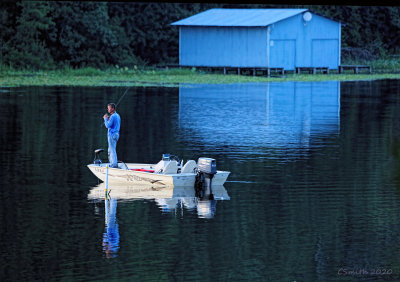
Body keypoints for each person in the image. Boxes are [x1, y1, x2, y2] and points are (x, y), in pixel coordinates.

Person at [103, 103, 121, 168]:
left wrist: (105, 119)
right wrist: (108, 119)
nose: (108, 109)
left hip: (112, 135)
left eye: (109, 108)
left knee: (112, 150)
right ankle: (112, 163)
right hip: (116, 134)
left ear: (113, 108)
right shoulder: (117, 115)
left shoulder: (113, 116)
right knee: (111, 149)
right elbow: (113, 124)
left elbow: (107, 125)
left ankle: (113, 165)